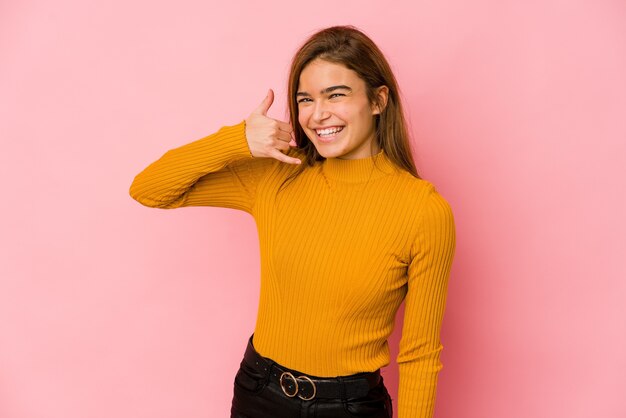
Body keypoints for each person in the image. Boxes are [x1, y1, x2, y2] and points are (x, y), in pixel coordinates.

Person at [129, 25, 456, 418]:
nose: (318, 114)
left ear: (378, 100)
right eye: (305, 99)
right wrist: (238, 141)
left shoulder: (423, 211)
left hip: (349, 407)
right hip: (259, 392)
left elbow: (420, 355)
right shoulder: (278, 175)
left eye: (336, 94)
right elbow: (150, 188)